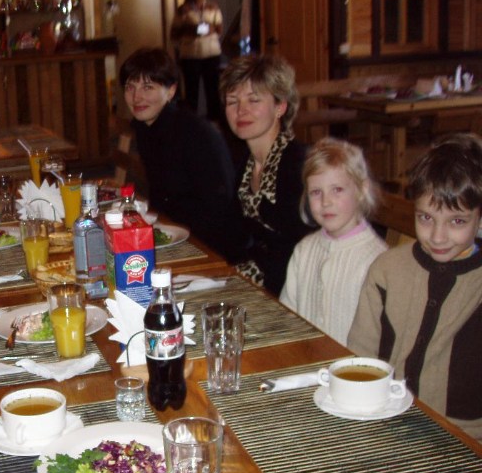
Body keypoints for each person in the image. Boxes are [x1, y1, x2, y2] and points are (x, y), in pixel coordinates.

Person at [348, 133, 482, 443]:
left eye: (457, 221)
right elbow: (360, 354)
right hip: (386, 423)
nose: (438, 236)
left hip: (467, 438)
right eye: (426, 218)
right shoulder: (387, 269)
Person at [118, 47, 243, 261]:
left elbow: (219, 208)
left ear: (171, 91)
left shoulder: (194, 133)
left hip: (210, 245)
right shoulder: (146, 127)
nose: (137, 97)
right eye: (130, 87)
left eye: (148, 87)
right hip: (174, 233)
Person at [279, 137, 387, 345]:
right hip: (306, 359)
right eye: (316, 192)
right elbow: (287, 315)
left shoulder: (377, 260)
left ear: (361, 190)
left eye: (337, 189)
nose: (325, 202)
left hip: (355, 363)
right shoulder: (304, 251)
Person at [220, 53, 310, 296]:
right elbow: (235, 235)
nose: (241, 110)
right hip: (262, 276)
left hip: (294, 289)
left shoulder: (297, 165)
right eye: (232, 101)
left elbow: (299, 250)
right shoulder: (247, 162)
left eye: (254, 100)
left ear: (280, 106)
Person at [170, 0, 224, 121]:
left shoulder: (213, 7)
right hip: (191, 57)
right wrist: (193, 30)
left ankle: (214, 122)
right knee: (191, 93)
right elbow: (174, 34)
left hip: (212, 55)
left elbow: (219, 29)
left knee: (213, 91)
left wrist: (209, 29)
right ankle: (191, 123)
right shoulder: (183, 9)